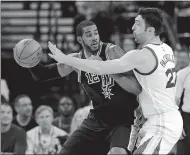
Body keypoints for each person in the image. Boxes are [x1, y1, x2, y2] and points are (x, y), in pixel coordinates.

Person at [48, 7, 183, 154]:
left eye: (137, 24)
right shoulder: (166, 49)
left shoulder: (141, 55)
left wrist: (66, 59)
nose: (132, 27)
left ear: (150, 30)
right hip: (159, 119)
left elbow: (100, 67)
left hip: (161, 123)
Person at [27, 20, 141, 155]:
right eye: (89, 34)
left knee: (118, 152)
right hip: (98, 120)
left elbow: (137, 87)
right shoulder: (77, 60)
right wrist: (29, 60)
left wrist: (106, 68)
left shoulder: (112, 51)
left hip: (123, 120)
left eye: (96, 33)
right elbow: (43, 75)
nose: (94, 37)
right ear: (80, 39)